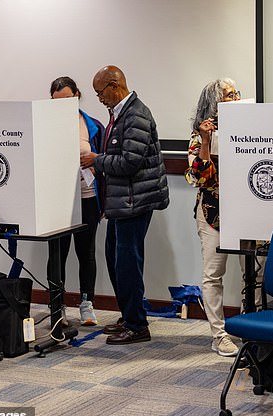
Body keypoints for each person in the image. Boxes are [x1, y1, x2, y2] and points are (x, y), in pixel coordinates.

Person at [80, 65, 169, 345]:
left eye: (100, 92)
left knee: (128, 263)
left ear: (114, 85)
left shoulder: (136, 115)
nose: (99, 98)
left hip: (135, 202)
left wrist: (97, 160)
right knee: (115, 259)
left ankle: (137, 326)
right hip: (122, 201)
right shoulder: (119, 114)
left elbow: (131, 162)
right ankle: (129, 315)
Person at [185, 78, 264, 357]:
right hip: (213, 212)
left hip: (248, 212)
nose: (235, 99)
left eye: (235, 94)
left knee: (254, 273)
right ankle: (218, 335)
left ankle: (249, 326)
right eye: (228, 96)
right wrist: (206, 141)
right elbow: (199, 177)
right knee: (213, 274)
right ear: (214, 103)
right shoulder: (200, 135)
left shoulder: (251, 130)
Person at [48, 76, 105, 326]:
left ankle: (86, 304)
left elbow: (105, 160)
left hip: (87, 198)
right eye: (55, 101)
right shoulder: (44, 124)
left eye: (67, 100)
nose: (61, 105)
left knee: (86, 252)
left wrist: (95, 162)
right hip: (57, 201)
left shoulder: (92, 125)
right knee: (58, 254)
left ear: (77, 96)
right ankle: (56, 306)